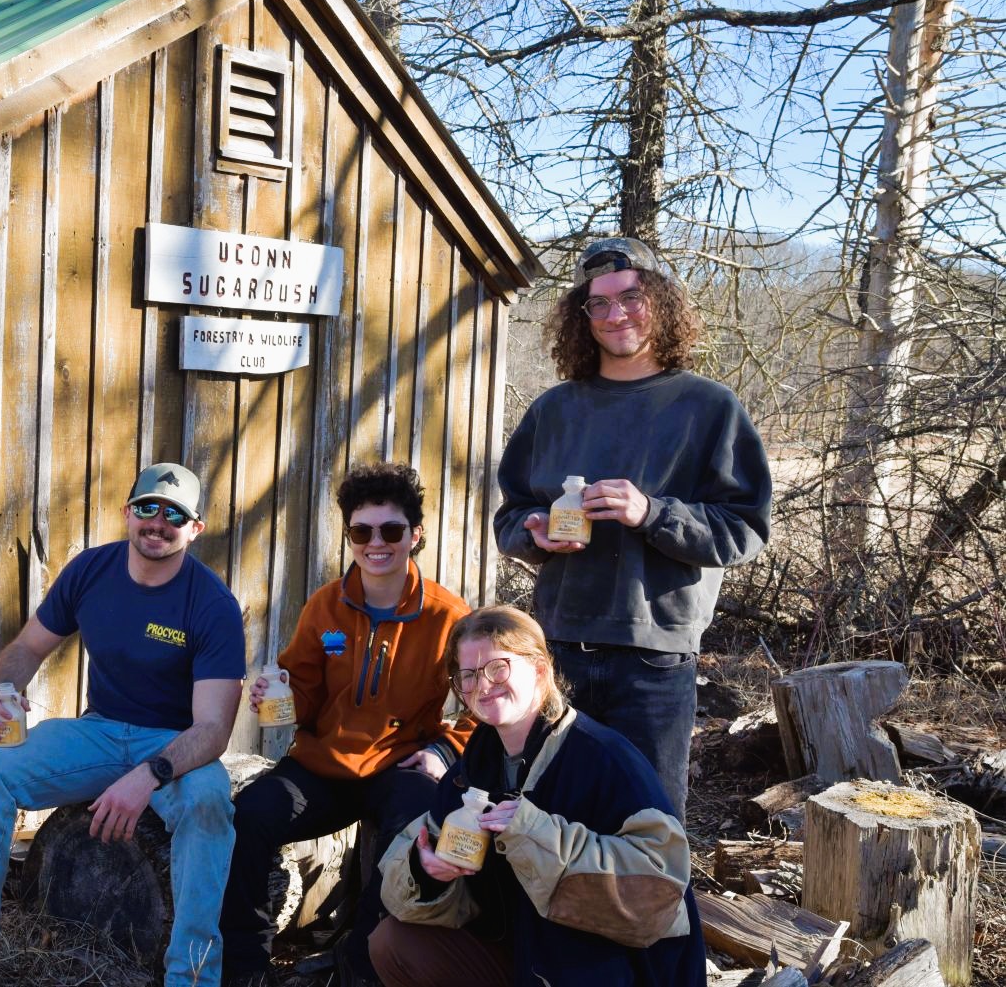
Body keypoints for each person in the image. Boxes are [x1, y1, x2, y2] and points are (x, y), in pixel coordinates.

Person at [0, 462, 245, 987]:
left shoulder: (212, 604)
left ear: (196, 527)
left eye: (175, 515)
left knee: (209, 802)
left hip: (177, 745)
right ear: (128, 512)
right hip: (99, 731)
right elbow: (29, 647)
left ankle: (191, 977)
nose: (158, 522)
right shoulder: (90, 571)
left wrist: (147, 776)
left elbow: (214, 729)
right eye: (148, 507)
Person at [493, 236, 771, 819]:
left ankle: (660, 916)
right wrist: (534, 534)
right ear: (582, 317)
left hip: (654, 658)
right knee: (545, 821)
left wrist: (652, 513)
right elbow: (510, 516)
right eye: (599, 303)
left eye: (632, 296)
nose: (616, 313)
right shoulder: (555, 409)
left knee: (647, 831)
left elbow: (744, 530)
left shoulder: (708, 408)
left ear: (662, 303)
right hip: (559, 648)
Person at [221, 463, 472, 987]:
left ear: (415, 536)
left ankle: (360, 970)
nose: (375, 543)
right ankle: (245, 968)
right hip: (323, 766)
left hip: (399, 764)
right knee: (248, 817)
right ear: (349, 536)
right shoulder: (326, 605)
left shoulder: (449, 616)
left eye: (391, 530)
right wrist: (281, 693)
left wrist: (444, 751)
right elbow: (304, 693)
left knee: (411, 833)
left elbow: (485, 708)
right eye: (362, 531)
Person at [370, 605, 706, 987]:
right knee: (394, 944)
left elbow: (660, 890)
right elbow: (411, 861)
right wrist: (428, 872)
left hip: (605, 969)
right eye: (468, 675)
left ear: (541, 671)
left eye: (498, 668)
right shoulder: (474, 767)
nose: (483, 685)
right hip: (523, 957)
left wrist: (536, 836)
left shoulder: (605, 759)